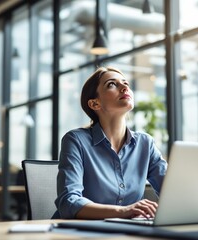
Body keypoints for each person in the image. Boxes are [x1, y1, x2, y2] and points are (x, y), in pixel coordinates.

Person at [55, 66, 167, 219]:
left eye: (125, 82)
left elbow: (172, 191)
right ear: (95, 104)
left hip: (127, 232)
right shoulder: (76, 140)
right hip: (78, 233)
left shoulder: (145, 143)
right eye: (112, 84)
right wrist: (123, 211)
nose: (124, 87)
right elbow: (69, 202)